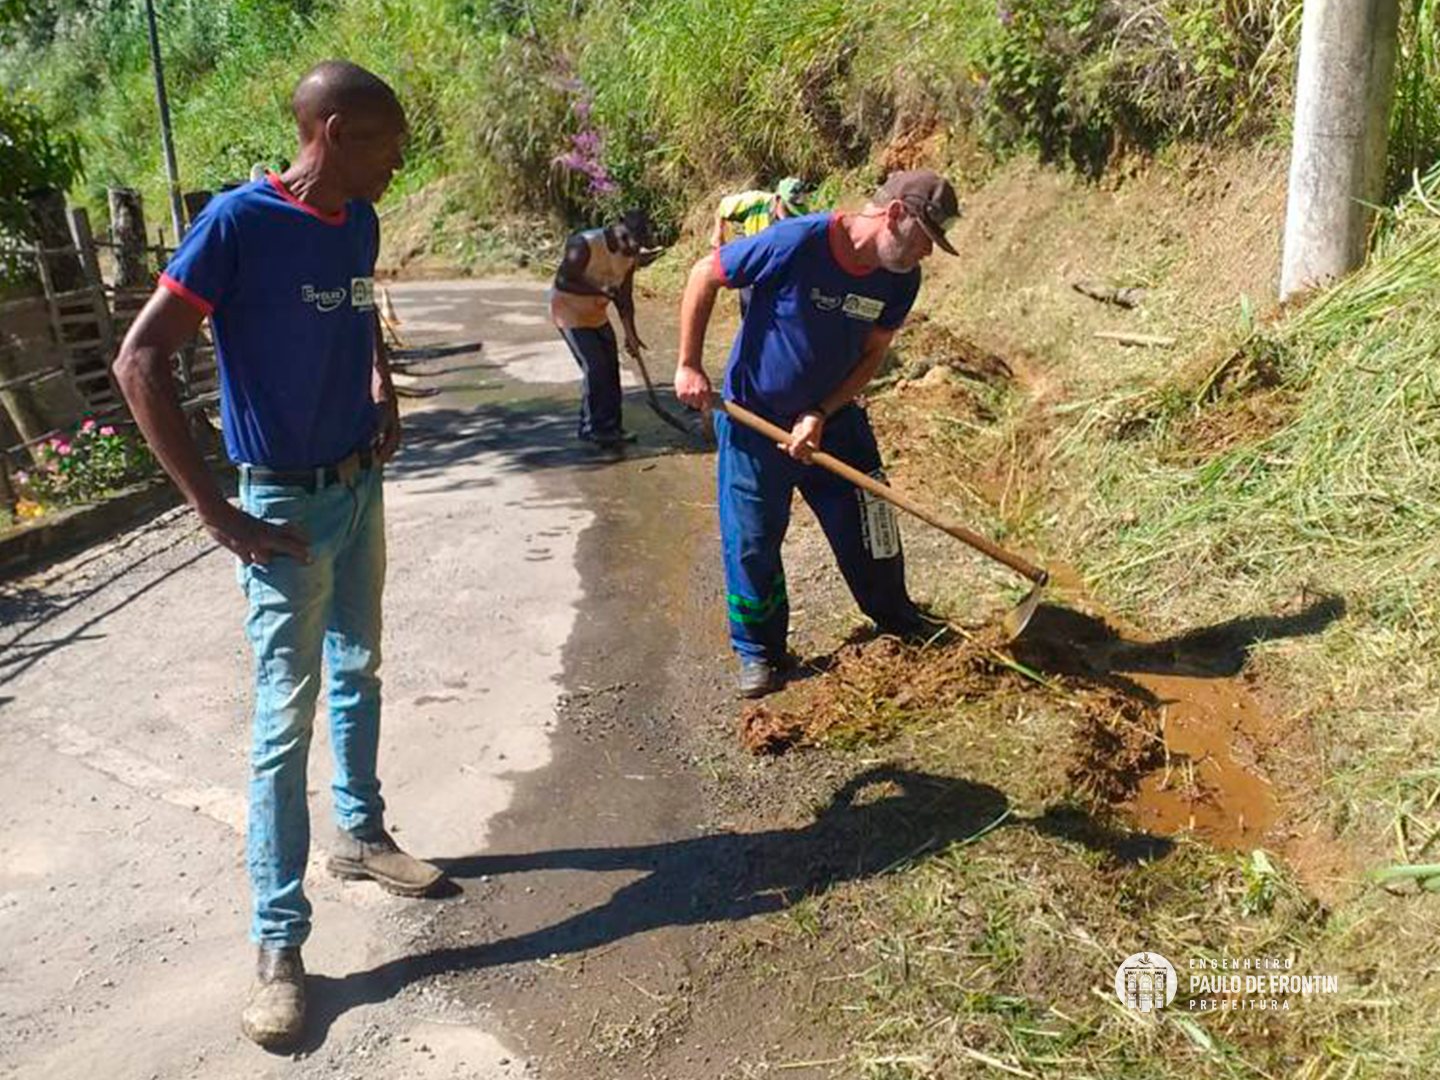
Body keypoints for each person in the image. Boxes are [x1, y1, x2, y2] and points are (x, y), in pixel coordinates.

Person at [113, 60, 443, 1050]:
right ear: (333, 132)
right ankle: (279, 946)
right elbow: (140, 360)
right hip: (281, 505)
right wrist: (216, 512)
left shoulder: (362, 222)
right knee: (282, 719)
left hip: (357, 484)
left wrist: (381, 391)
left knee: (360, 668)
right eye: (387, 142)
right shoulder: (239, 226)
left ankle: (362, 835)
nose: (400, 160)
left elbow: (359, 313)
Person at [674, 170, 961, 698]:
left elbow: (873, 354)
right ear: (895, 215)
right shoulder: (796, 242)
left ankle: (895, 615)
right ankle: (761, 651)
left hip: (835, 419)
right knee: (752, 540)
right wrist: (689, 365)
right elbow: (703, 275)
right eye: (925, 239)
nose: (926, 254)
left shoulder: (900, 278)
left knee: (871, 519)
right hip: (752, 417)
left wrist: (822, 412)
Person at [549, 209, 656, 448]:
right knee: (595, 366)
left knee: (610, 366)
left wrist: (631, 335)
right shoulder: (585, 244)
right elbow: (563, 280)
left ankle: (611, 426)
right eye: (629, 238)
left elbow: (624, 298)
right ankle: (591, 427)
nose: (633, 246)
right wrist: (600, 291)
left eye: (638, 242)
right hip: (568, 311)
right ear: (617, 226)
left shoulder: (630, 254)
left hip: (595, 313)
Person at [708, 176, 810, 247]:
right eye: (788, 210)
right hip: (747, 247)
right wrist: (718, 234)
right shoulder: (754, 201)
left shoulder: (802, 217)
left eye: (794, 213)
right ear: (778, 199)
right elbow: (722, 208)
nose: (790, 217)